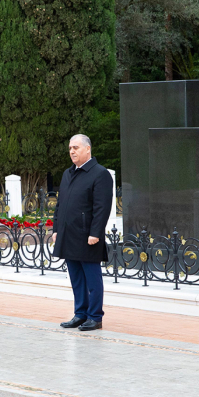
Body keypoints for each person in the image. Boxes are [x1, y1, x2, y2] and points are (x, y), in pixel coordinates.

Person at [52, 134, 113, 331]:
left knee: (92, 279)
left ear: (88, 149)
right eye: (70, 148)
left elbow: (102, 207)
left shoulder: (100, 174)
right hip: (68, 234)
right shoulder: (68, 173)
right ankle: (80, 314)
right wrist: (56, 228)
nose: (72, 151)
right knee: (76, 278)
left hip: (88, 236)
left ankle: (95, 317)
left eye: (76, 147)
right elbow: (60, 205)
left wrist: (95, 232)